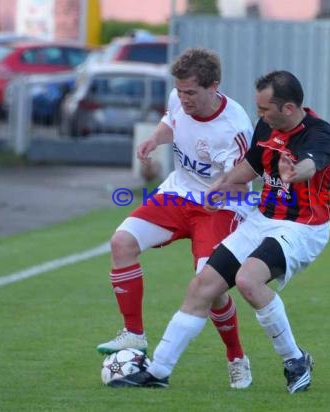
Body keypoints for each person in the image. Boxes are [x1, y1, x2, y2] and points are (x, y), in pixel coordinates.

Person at [108, 70, 330, 394]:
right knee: (203, 286)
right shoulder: (268, 124)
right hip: (263, 217)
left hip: (302, 227)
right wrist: (222, 184)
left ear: (288, 108)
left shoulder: (319, 133)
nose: (258, 116)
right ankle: (158, 371)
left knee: (247, 279)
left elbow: (313, 164)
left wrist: (296, 172)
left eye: (264, 110)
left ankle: (294, 359)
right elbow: (252, 166)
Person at [97, 48, 254, 389]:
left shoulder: (235, 128)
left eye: (191, 93)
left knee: (208, 286)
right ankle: (134, 334)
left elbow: (240, 181)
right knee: (122, 242)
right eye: (180, 91)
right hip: (177, 194)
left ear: (215, 87)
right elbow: (171, 120)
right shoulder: (178, 98)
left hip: (221, 207)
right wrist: (155, 138)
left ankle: (237, 357)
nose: (183, 99)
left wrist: (217, 191)